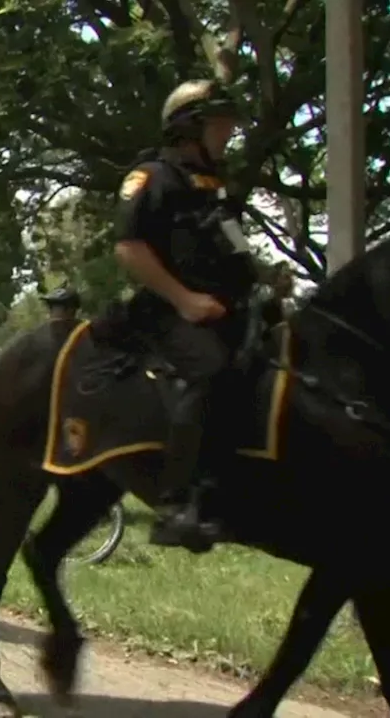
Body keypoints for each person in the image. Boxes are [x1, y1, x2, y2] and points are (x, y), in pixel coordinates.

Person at [112, 79, 257, 553]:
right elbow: (130, 249)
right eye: (220, 124)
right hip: (165, 312)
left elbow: (234, 248)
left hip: (224, 311)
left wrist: (266, 278)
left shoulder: (217, 189)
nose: (229, 134)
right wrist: (184, 299)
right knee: (211, 370)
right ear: (189, 128)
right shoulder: (152, 179)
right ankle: (176, 505)